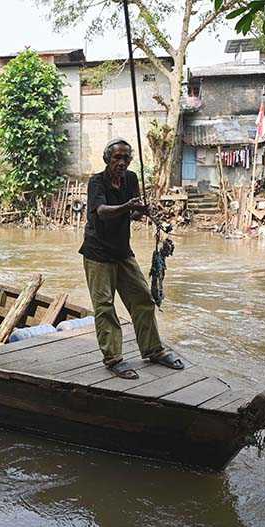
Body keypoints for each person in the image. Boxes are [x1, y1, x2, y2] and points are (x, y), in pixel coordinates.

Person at [79, 138, 184, 379]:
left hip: (122, 251)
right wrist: (128, 206)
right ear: (107, 159)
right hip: (97, 253)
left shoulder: (131, 179)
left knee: (143, 298)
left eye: (126, 158)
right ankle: (113, 358)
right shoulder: (97, 182)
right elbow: (102, 212)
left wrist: (141, 210)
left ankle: (153, 350)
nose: (122, 162)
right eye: (117, 157)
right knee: (105, 306)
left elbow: (134, 213)